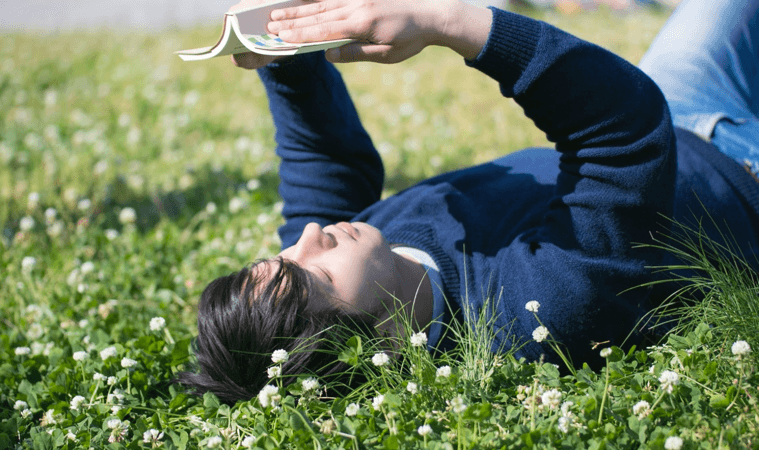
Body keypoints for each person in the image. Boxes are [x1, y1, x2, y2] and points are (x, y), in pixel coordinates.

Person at [176, 0, 759, 405]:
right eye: (320, 274)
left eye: (281, 259)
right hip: (741, 171)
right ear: (372, 348)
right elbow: (623, 134)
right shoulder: (534, 310)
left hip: (685, 104)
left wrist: (285, 54)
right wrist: (446, 21)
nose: (310, 237)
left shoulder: (359, 259)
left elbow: (331, 168)